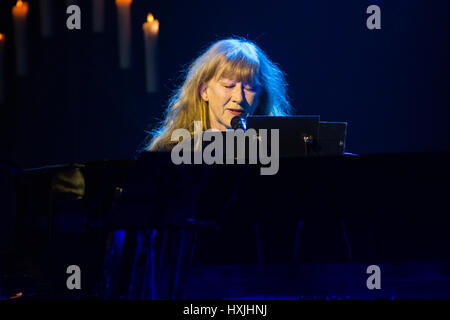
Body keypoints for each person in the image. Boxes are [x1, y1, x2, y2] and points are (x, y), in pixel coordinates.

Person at [142, 37, 292, 152]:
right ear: (204, 91)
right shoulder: (170, 152)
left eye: (250, 88)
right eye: (228, 86)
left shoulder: (277, 151)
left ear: (261, 97)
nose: (239, 98)